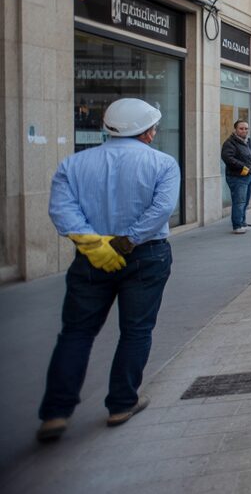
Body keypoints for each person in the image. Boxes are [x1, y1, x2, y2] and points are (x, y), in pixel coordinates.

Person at [38, 98, 181, 442]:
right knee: (136, 330)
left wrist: (93, 244)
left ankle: (56, 412)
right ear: (147, 132)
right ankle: (121, 403)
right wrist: (128, 241)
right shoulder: (162, 163)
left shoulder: (72, 164)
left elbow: (62, 210)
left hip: (91, 258)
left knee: (75, 333)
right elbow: (162, 209)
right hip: (146, 255)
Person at [221, 120, 251, 234]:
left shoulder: (249, 141)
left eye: (246, 128)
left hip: (249, 175)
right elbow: (228, 158)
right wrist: (244, 168)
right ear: (235, 129)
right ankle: (237, 225)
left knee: (245, 201)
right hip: (237, 176)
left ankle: (243, 222)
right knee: (239, 201)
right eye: (241, 128)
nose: (244, 131)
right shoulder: (230, 143)